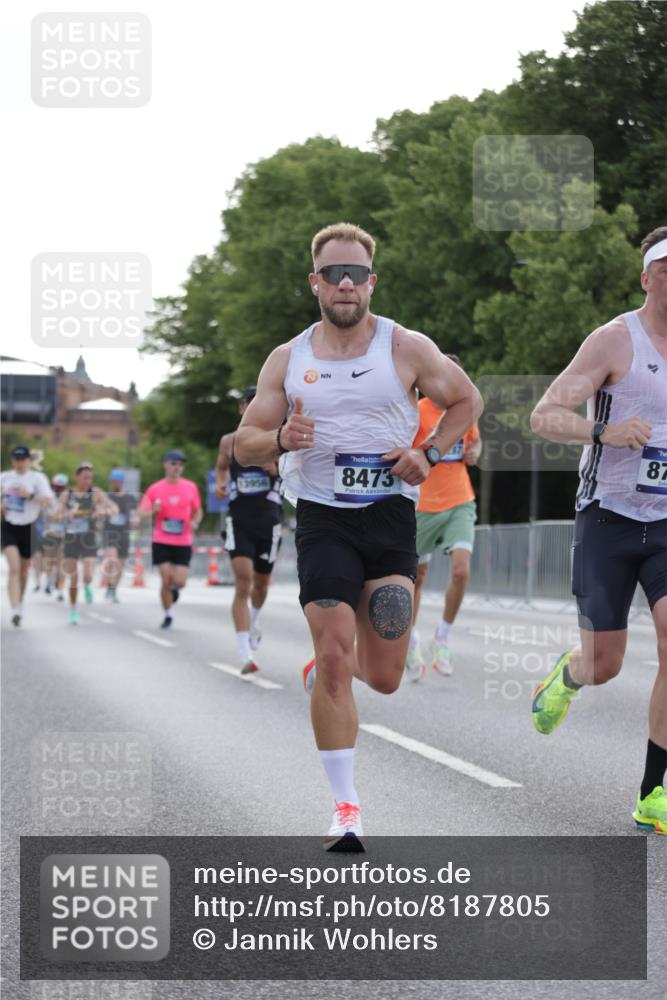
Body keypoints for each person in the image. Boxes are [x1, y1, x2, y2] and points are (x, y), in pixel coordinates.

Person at [235, 222, 482, 849]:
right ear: (314, 282)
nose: (346, 284)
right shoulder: (289, 360)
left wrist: (427, 453)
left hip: (390, 517)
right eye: (333, 274)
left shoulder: (406, 347)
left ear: (372, 281)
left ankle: (328, 663)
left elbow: (466, 401)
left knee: (387, 674)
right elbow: (244, 444)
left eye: (357, 274)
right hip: (323, 516)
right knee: (341, 658)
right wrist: (281, 440)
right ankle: (346, 809)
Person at [530, 226, 667, 835]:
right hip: (608, 517)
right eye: (665, 270)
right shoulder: (615, 341)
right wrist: (602, 433)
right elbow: (545, 415)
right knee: (606, 663)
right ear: (646, 278)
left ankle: (653, 791)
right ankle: (571, 673)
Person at [405, 355, 482, 680]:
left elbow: (474, 443)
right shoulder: (415, 412)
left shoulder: (463, 408)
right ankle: (411, 641)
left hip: (459, 501)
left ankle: (443, 638)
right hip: (422, 505)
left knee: (461, 571)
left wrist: (476, 452)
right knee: (415, 580)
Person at [215, 387, 284, 675]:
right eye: (249, 402)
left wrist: (278, 468)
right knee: (243, 582)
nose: (254, 407)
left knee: (261, 582)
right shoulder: (229, 442)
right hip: (239, 516)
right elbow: (221, 468)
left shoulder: (278, 439)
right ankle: (244, 652)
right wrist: (221, 483)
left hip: (269, 518)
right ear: (241, 408)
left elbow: (300, 471)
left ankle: (253, 620)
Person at [139, 450, 203, 629]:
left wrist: (195, 522)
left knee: (180, 582)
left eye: (180, 464)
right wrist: (153, 510)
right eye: (173, 463)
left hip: (183, 541)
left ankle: (174, 591)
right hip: (161, 540)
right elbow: (141, 513)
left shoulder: (190, 487)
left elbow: (197, 510)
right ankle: (168, 614)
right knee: (166, 578)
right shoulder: (155, 488)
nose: (177, 467)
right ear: (165, 464)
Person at [57, 463, 118, 625]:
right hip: (71, 538)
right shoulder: (67, 494)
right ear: (77, 477)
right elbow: (56, 514)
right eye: (84, 477)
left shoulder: (96, 493)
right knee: (73, 577)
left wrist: (102, 512)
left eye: (90, 477)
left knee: (88, 574)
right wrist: (65, 514)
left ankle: (88, 585)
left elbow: (114, 509)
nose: (87, 480)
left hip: (89, 537)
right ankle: (73, 609)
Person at [1, 444, 53, 626]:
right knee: (14, 569)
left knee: (23, 571)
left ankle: (20, 603)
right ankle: (14, 609)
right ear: (12, 460)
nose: (19, 463)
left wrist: (29, 495)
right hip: (9, 526)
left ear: (29, 461)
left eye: (23, 459)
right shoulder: (5, 477)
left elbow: (48, 501)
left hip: (29, 527)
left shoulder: (37, 478)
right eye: (16, 459)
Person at [102, 469, 139, 602]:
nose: (115, 483)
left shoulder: (130, 498)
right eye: (113, 481)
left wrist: (135, 520)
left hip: (124, 533)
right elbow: (101, 511)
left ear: (122, 482)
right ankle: (110, 586)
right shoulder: (108, 497)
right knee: (113, 559)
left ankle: (113, 589)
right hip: (110, 533)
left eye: (117, 481)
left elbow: (135, 514)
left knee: (121, 564)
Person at [42, 473, 69, 598]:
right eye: (56, 487)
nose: (58, 489)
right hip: (50, 533)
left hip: (64, 534)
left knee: (62, 562)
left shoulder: (69, 499)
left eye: (61, 487)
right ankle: (49, 581)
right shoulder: (49, 499)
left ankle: (60, 589)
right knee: (49, 560)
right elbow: (46, 516)